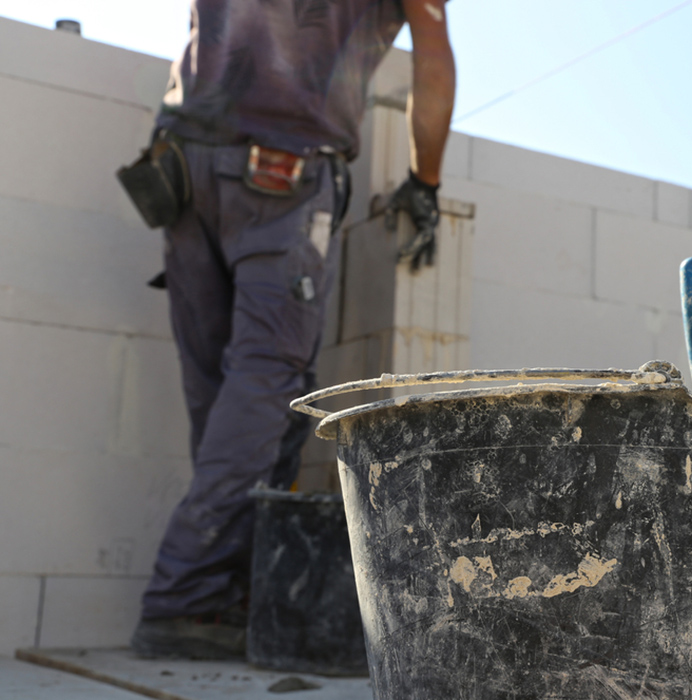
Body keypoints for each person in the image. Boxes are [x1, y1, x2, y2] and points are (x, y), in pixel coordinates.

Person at [129, 0, 456, 660]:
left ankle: (230, 591)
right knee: (265, 385)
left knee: (226, 395)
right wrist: (424, 181)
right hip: (278, 171)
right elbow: (433, 58)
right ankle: (182, 598)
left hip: (181, 164)